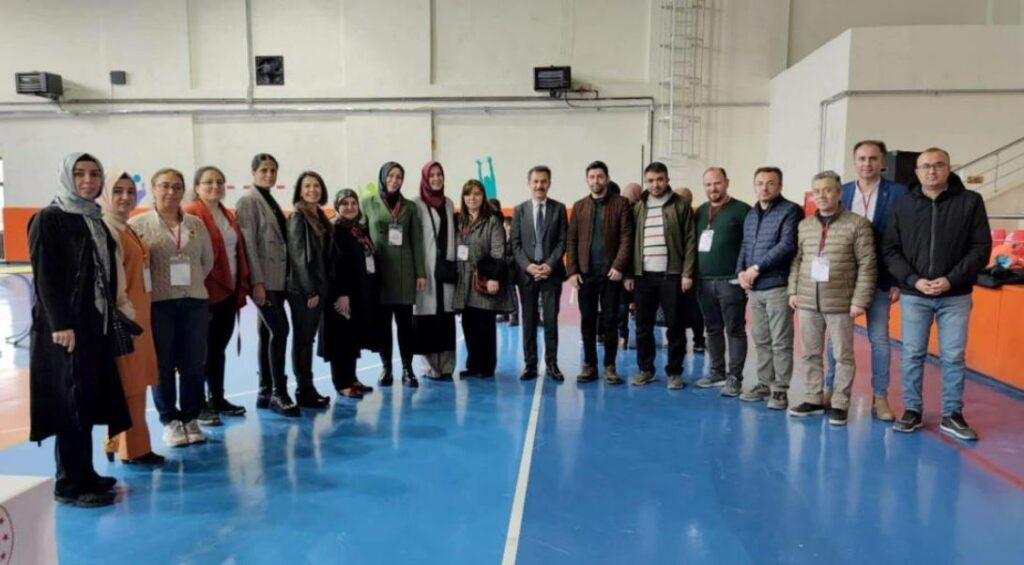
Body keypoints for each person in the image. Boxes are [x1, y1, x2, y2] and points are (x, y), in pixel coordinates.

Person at [29, 153, 131, 507]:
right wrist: (61, 324)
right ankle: (69, 483)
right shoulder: (49, 218)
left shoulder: (92, 218)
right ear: (66, 177)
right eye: (79, 174)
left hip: (93, 325)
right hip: (66, 329)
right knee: (70, 403)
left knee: (86, 402)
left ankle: (85, 472)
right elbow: (45, 276)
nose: (88, 180)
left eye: (94, 174)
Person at [885, 148, 991, 440]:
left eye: (938, 165)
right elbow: (890, 249)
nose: (932, 171)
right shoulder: (903, 204)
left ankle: (952, 414)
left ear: (949, 168)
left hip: (955, 295)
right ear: (917, 172)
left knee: (953, 356)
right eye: (926, 166)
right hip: (914, 294)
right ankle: (912, 410)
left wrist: (951, 279)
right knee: (912, 354)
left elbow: (981, 248)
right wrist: (913, 280)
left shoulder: (970, 201)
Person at [823, 140, 908, 420]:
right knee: (836, 340)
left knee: (880, 340)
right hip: (843, 279)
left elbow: (904, 238)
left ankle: (880, 397)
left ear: (882, 161)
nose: (867, 164)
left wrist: (898, 279)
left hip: (881, 278)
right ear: (854, 161)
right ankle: (831, 388)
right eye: (861, 158)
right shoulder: (842, 191)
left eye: (873, 158)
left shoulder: (899, 193)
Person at [130, 168, 214, 446]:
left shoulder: (195, 224)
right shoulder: (139, 225)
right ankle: (170, 420)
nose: (171, 192)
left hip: (194, 302)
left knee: (194, 363)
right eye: (165, 186)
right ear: (153, 189)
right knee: (162, 364)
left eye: (177, 187)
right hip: (159, 305)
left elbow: (207, 260)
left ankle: (190, 417)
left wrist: (191, 284)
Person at [787, 171, 877, 426]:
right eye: (817, 191)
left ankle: (840, 402)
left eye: (827, 190)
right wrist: (793, 290)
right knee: (810, 353)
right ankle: (813, 398)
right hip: (808, 301)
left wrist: (859, 300)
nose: (822, 196)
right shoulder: (805, 226)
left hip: (841, 302)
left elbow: (867, 265)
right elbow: (797, 261)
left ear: (839, 193)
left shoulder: (858, 224)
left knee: (842, 356)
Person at [99, 170, 163, 465]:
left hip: (141, 319)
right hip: (126, 321)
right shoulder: (107, 230)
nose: (125, 197)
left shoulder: (125, 227)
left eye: (129, 191)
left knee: (137, 383)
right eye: (117, 191)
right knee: (129, 385)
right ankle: (131, 449)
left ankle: (130, 445)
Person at [184, 166, 250, 425]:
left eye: (219, 182)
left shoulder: (226, 214)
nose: (215, 186)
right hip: (204, 294)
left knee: (217, 349)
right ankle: (197, 405)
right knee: (200, 352)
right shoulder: (190, 213)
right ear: (197, 187)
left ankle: (217, 398)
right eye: (208, 182)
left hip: (228, 292)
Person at [236, 153, 299, 416]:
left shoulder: (270, 200)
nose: (269, 175)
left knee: (267, 333)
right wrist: (257, 282)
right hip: (264, 280)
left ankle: (264, 390)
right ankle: (278, 392)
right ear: (253, 172)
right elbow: (248, 244)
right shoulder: (248, 201)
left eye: (273, 170)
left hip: (278, 278)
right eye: (264, 170)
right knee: (281, 330)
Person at [625, 162, 696, 389]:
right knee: (643, 326)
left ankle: (674, 372)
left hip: (671, 275)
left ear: (667, 180)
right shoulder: (638, 208)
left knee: (675, 325)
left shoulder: (680, 205)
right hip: (643, 276)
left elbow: (690, 240)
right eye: (651, 181)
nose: (655, 185)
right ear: (646, 182)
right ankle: (646, 369)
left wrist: (687, 272)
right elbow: (629, 242)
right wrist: (629, 274)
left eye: (659, 180)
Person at [737, 167, 802, 409]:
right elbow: (745, 245)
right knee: (761, 339)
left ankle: (780, 390)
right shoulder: (751, 214)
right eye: (760, 183)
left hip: (777, 286)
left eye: (770, 183)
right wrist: (740, 272)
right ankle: (764, 384)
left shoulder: (791, 210)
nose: (764, 187)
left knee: (780, 341)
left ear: (780, 186)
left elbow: (787, 245)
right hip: (754, 289)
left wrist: (757, 267)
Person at [566, 160, 633, 384]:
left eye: (600, 176)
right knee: (587, 320)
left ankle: (610, 366)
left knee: (610, 321)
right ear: (587, 180)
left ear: (607, 178)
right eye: (592, 177)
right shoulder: (579, 207)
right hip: (585, 274)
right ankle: (589, 365)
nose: (596, 181)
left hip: (611, 274)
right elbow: (572, 240)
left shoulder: (621, 204)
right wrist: (572, 270)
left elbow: (626, 237)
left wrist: (619, 266)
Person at [362, 161, 427, 388]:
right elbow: (359, 234)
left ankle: (407, 369)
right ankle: (386, 368)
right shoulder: (367, 203)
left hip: (404, 274)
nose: (394, 180)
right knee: (383, 325)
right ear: (383, 177)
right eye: (390, 176)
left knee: (405, 324)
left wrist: (420, 272)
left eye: (399, 177)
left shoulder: (410, 207)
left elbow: (416, 241)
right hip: (379, 274)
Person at [693, 167, 751, 396]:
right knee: (712, 328)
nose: (713, 188)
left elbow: (750, 244)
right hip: (704, 281)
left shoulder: (742, 210)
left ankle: (735, 377)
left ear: (726, 182)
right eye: (708, 184)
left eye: (717, 183)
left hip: (731, 281)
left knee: (734, 329)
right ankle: (717, 372)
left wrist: (744, 274)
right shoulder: (700, 212)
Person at [510, 166, 568, 381]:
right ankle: (530, 365)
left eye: (543, 181)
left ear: (549, 183)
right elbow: (515, 244)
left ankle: (552, 364)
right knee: (528, 320)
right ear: (529, 183)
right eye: (535, 181)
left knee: (551, 321)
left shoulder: (559, 209)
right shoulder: (519, 210)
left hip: (551, 274)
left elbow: (562, 241)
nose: (539, 185)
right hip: (527, 275)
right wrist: (528, 266)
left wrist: (549, 265)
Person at [323, 189, 380, 398]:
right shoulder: (334, 229)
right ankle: (342, 382)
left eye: (353, 203)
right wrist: (341, 293)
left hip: (358, 292)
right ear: (337, 206)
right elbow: (334, 265)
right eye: (344, 203)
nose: (349, 207)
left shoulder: (358, 229)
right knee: (341, 338)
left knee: (352, 337)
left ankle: (352, 378)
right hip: (342, 294)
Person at [454, 180, 514, 377]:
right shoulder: (459, 220)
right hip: (464, 281)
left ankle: (486, 367)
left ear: (483, 197)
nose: (472, 198)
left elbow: (498, 251)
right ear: (463, 197)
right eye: (468, 194)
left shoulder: (492, 221)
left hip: (484, 280)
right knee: (468, 324)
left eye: (477, 194)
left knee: (485, 325)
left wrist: (494, 277)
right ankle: (473, 365)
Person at [286, 171, 333, 408]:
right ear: (300, 190)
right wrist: (310, 291)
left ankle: (307, 388)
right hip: (304, 290)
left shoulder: (319, 215)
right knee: (303, 340)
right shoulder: (298, 216)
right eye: (307, 186)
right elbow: (298, 257)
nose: (312, 190)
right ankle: (304, 390)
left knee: (307, 339)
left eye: (316, 185)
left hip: (318, 287)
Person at [412, 161, 457, 381]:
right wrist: (418, 270)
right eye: (432, 175)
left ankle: (447, 366)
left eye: (439, 174)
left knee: (446, 317)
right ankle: (430, 367)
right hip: (427, 271)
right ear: (425, 179)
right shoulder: (417, 204)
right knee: (427, 317)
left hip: (446, 270)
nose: (436, 178)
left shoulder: (449, 203)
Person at [673, 185, 706, 353]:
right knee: (682, 309)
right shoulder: (688, 216)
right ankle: (693, 340)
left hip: (692, 271)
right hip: (677, 271)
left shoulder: (695, 217)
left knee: (693, 309)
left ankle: (698, 339)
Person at [618, 182, 644, 349]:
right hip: (631, 268)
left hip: (631, 268)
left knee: (624, 304)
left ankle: (623, 336)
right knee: (630, 304)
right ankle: (627, 336)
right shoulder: (638, 213)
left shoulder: (623, 213)